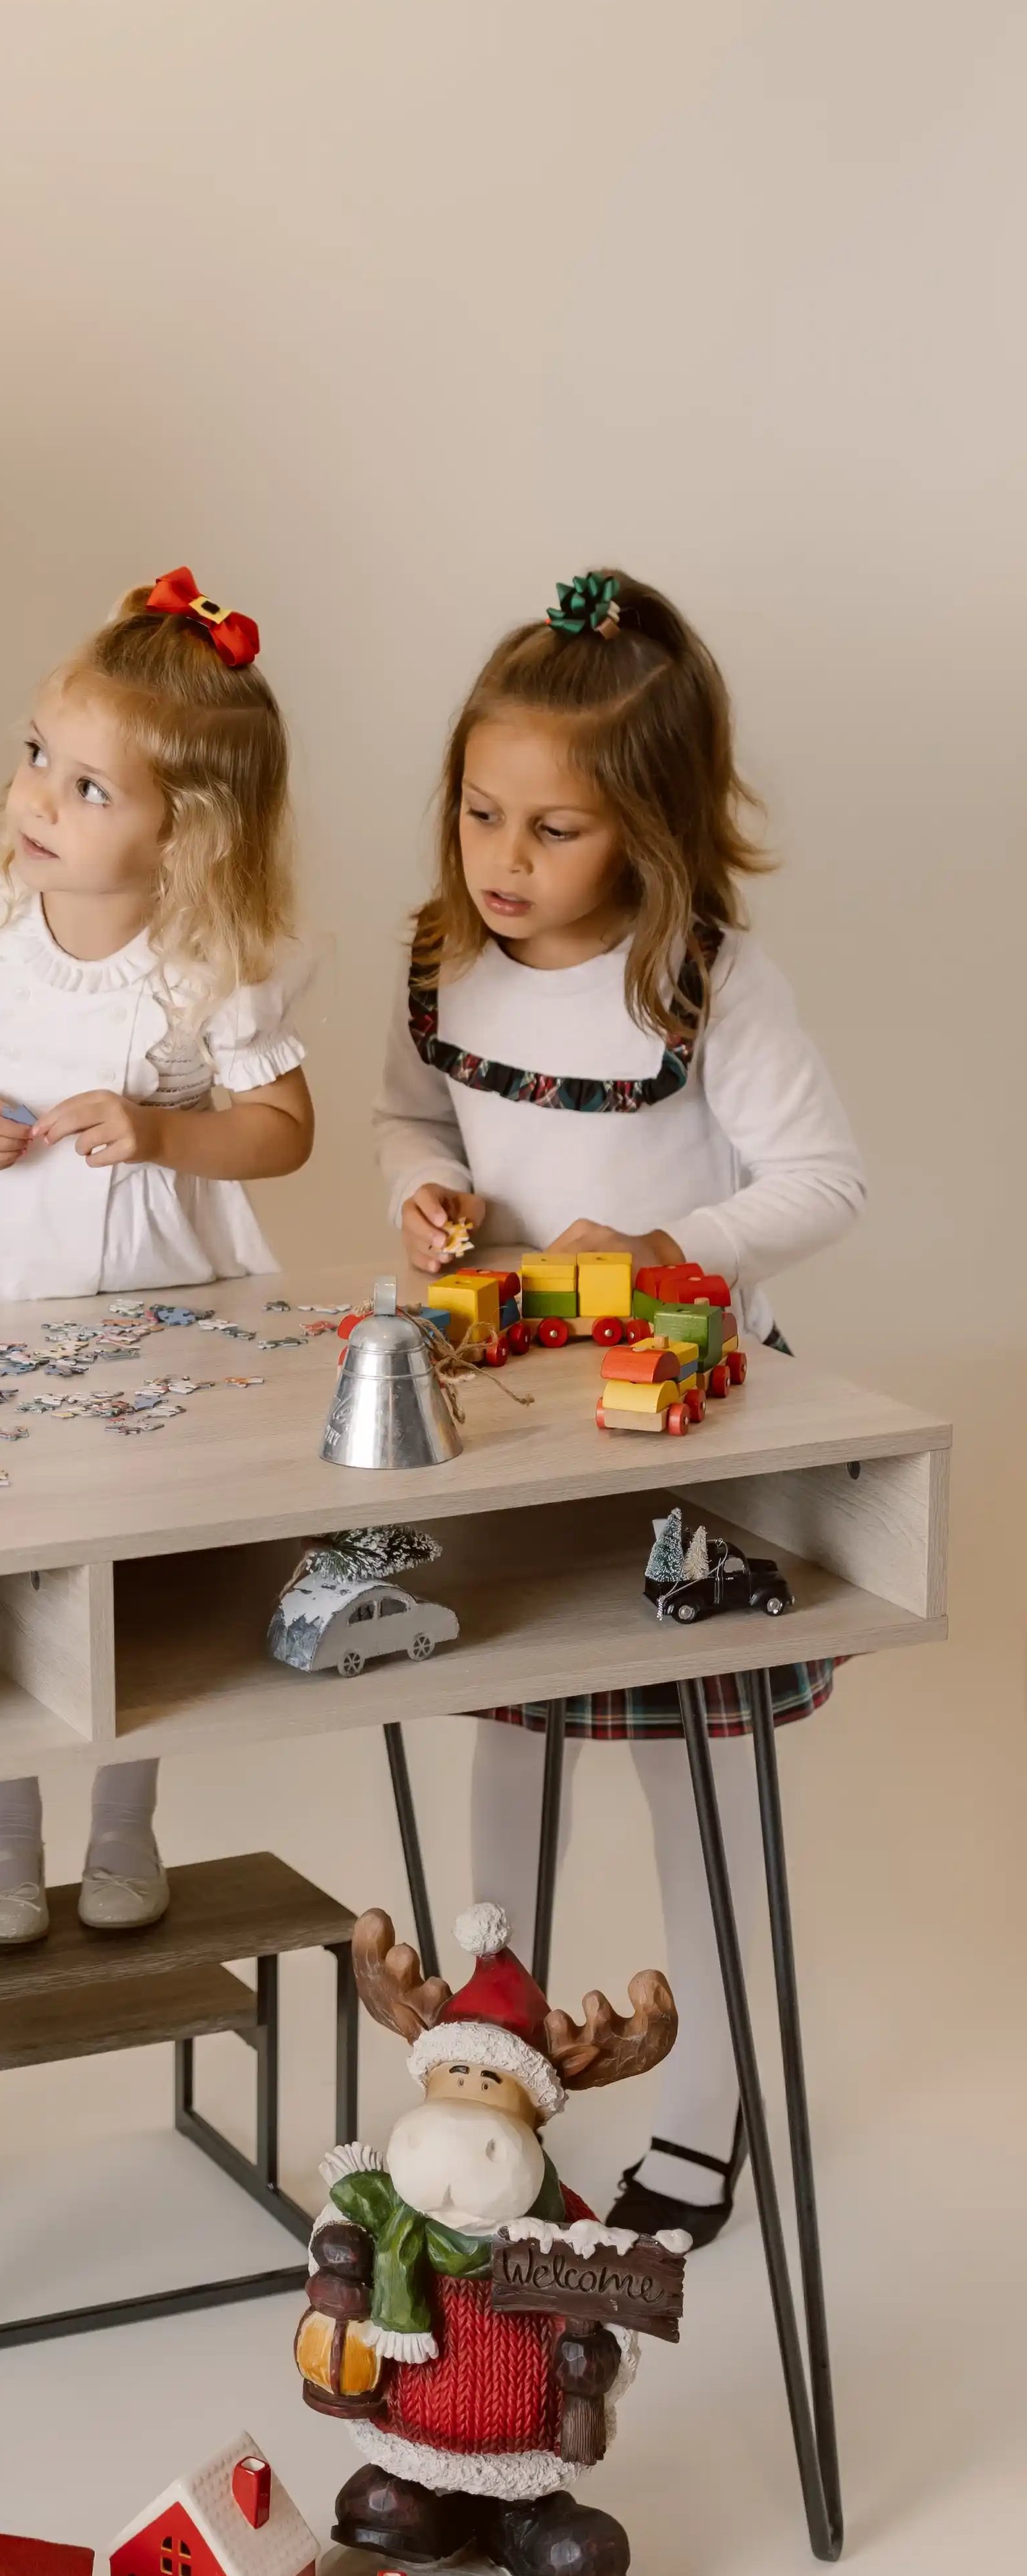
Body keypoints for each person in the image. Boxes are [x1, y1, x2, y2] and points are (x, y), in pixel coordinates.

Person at [372, 568, 865, 2246]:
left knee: (691, 1772)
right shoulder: (441, 958)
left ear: (644, 832)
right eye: (480, 813)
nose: (502, 861)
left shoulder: (704, 979)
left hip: (680, 1427)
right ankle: (479, 2064)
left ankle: (701, 2103)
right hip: (512, 1407)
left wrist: (666, 1245)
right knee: (502, 1729)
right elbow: (403, 1120)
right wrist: (429, 1191)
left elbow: (820, 1178)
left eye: (553, 830)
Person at [0, 570, 314, 1948]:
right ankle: (4, 1832)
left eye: (84, 789)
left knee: (124, 1569)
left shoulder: (206, 962)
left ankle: (123, 1817)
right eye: (34, 758)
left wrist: (160, 1129)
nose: (33, 801)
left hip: (143, 1293)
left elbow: (280, 1129)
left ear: (183, 832)